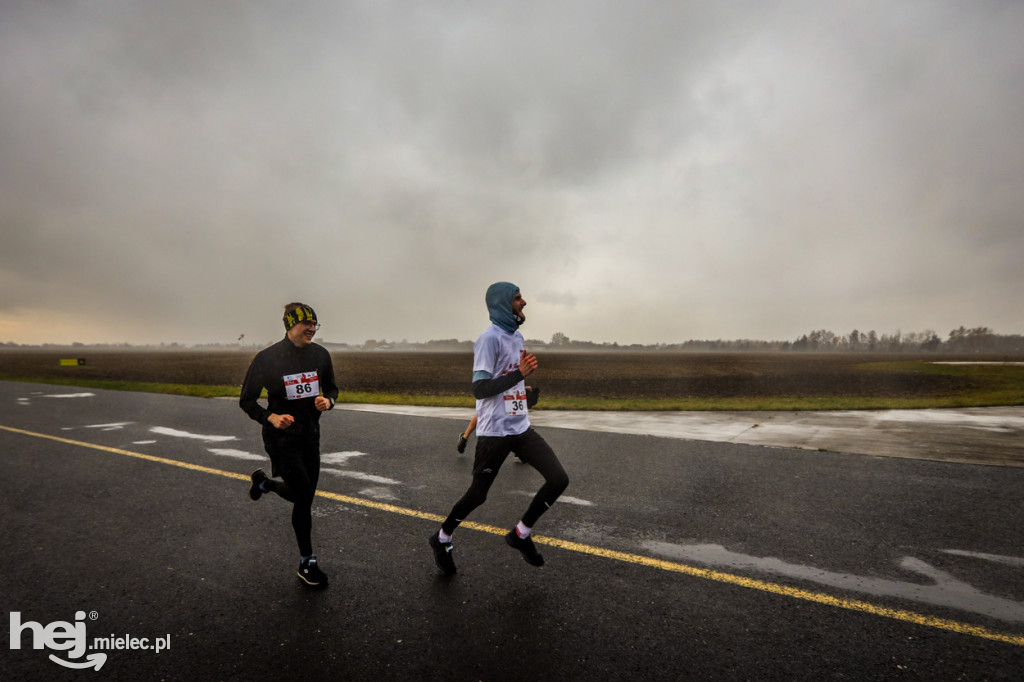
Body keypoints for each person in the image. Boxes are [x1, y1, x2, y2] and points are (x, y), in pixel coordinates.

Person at [430, 282, 568, 574]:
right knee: (478, 495)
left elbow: (508, 379)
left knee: (558, 479)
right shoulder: (488, 339)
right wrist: (518, 373)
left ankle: (520, 534)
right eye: (518, 298)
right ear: (503, 304)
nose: (524, 302)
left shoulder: (516, 336)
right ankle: (442, 538)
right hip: (494, 432)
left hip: (520, 426)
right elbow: (480, 388)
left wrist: (523, 385)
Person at [240, 302, 339, 588]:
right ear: (289, 325)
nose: (311, 328)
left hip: (310, 436)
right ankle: (307, 562)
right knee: (303, 497)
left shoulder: (320, 355)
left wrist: (328, 401)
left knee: (303, 496)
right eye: (306, 323)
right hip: (281, 439)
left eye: (314, 324)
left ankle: (264, 484)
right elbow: (246, 400)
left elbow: (331, 386)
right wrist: (269, 416)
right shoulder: (267, 359)